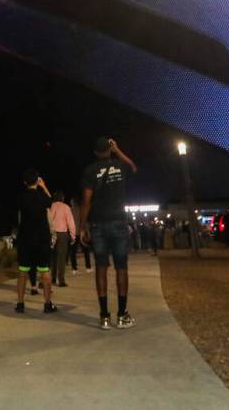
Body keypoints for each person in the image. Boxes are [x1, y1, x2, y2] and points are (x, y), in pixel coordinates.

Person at [79, 137, 137, 330]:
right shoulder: (120, 166)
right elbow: (133, 167)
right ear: (109, 149)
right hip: (119, 221)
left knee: (101, 267)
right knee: (121, 268)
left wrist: (82, 226)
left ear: (95, 153)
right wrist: (118, 150)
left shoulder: (89, 171)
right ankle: (122, 315)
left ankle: (104, 316)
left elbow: (86, 201)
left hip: (98, 224)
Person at [15, 170, 57, 314]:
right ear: (37, 181)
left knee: (23, 272)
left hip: (25, 240)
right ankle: (47, 304)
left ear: (24, 182)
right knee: (45, 272)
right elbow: (51, 201)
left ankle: (20, 304)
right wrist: (43, 186)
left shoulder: (21, 198)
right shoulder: (42, 197)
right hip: (42, 240)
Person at [48, 192, 75, 287]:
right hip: (63, 234)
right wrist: (73, 235)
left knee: (53, 258)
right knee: (61, 258)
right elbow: (70, 222)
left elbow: (49, 220)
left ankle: (53, 278)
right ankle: (61, 281)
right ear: (63, 198)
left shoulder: (52, 206)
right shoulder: (66, 207)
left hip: (52, 234)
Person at [69, 198, 92, 274]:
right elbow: (84, 221)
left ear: (72, 203)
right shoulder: (81, 210)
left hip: (73, 233)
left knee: (73, 252)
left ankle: (74, 269)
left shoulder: (70, 211)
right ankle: (88, 267)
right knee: (86, 250)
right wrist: (86, 230)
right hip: (81, 232)